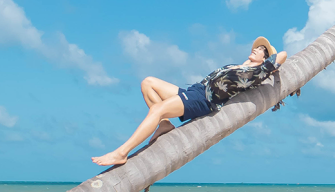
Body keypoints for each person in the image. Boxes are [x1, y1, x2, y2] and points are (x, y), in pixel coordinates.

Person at [91, 37, 287, 167]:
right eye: (256, 47)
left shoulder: (256, 73)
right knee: (148, 83)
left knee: (158, 109)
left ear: (266, 59)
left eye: (262, 50)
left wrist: (272, 66)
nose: (256, 49)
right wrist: (246, 63)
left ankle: (122, 152)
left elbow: (283, 54)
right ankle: (164, 125)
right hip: (195, 90)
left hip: (203, 100)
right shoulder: (241, 67)